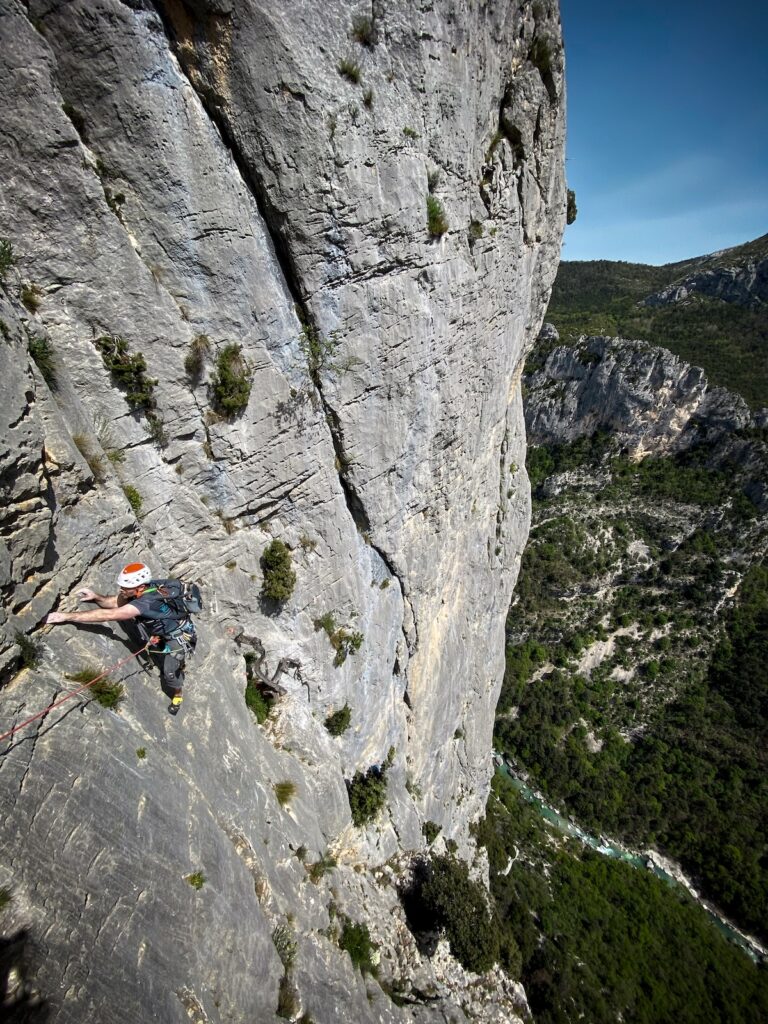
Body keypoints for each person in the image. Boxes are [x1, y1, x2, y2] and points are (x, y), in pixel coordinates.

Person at [46, 562, 196, 715]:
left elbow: (110, 614)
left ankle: (178, 694)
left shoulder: (146, 602)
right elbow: (116, 602)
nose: (121, 590)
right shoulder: (148, 588)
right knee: (159, 643)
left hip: (178, 637)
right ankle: (162, 641)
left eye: (125, 588)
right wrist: (96, 597)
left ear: (140, 587)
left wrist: (66, 616)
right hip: (166, 626)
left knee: (169, 671)